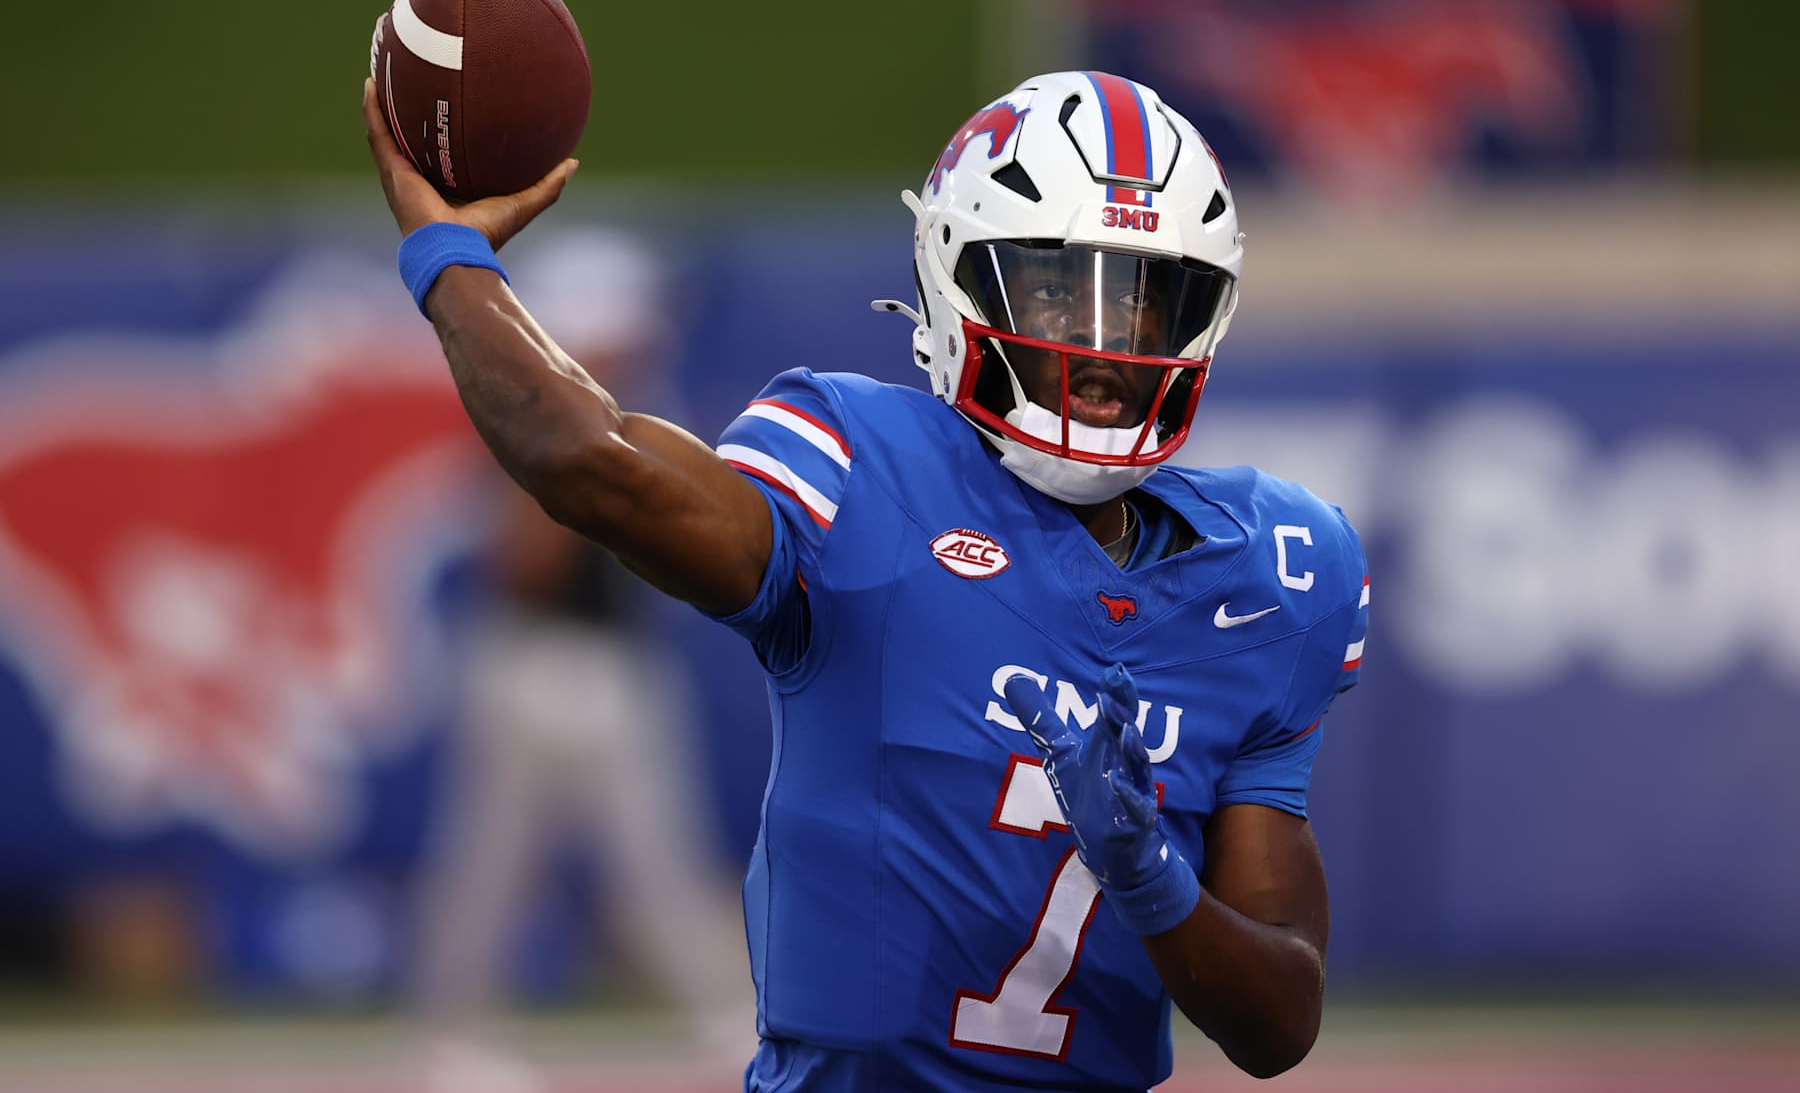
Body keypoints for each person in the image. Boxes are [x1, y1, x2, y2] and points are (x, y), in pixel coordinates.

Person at [362, 68, 1369, 1092]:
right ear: (960, 278)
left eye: (1147, 301)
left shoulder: (1277, 572)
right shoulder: (860, 464)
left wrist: (1153, 881)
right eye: (1062, 290)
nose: (1105, 350)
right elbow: (593, 462)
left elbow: (1280, 1021)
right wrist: (448, 256)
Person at [411, 230, 752, 1091]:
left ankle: (721, 1016)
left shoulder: (601, 407)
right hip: (543, 660)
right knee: (491, 860)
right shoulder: (544, 413)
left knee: (656, 857)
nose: (641, 342)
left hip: (598, 659)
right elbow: (520, 561)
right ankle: (449, 1031)